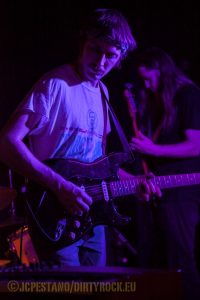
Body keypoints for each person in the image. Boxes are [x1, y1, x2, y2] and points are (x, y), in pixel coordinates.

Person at [0, 9, 160, 267]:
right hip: (54, 215)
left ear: (120, 57)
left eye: (111, 55)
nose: (100, 62)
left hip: (93, 215)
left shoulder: (103, 93)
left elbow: (98, 166)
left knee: (97, 289)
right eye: (95, 50)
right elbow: (7, 143)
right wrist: (61, 187)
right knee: (70, 289)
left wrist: (135, 182)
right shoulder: (55, 84)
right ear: (82, 43)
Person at [129, 46, 200, 299]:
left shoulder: (188, 95)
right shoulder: (160, 103)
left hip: (185, 188)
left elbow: (196, 145)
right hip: (164, 189)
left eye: (149, 79)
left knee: (183, 257)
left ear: (162, 71)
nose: (147, 86)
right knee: (164, 258)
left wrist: (154, 149)